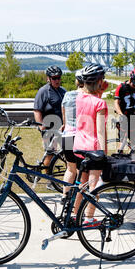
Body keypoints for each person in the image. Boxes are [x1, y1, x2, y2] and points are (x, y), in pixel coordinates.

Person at [72, 63, 108, 224]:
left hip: (79, 146)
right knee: (94, 186)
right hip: (93, 148)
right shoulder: (100, 104)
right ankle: (89, 217)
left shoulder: (79, 98)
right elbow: (100, 131)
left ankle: (74, 214)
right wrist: (103, 152)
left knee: (82, 183)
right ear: (99, 81)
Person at [33, 66, 66, 176]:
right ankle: (49, 179)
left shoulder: (63, 91)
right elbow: (37, 110)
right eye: (54, 78)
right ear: (49, 78)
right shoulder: (43, 91)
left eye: (59, 78)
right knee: (50, 154)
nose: (57, 80)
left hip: (63, 128)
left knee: (68, 152)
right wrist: (41, 126)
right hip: (49, 128)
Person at [60, 69, 84, 201]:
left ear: (77, 81)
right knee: (81, 171)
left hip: (67, 135)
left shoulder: (67, 95)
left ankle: (65, 195)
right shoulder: (88, 96)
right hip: (80, 137)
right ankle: (79, 199)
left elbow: (64, 117)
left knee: (70, 169)